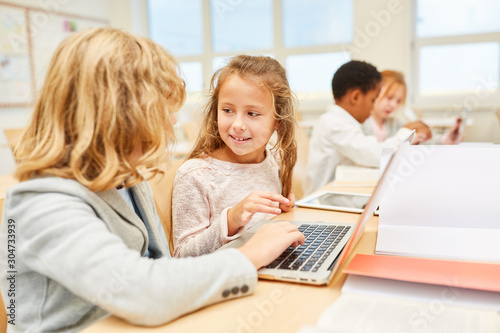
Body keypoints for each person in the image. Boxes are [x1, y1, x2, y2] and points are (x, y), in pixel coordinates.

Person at [0, 28, 304, 332]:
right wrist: (250, 254)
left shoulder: (129, 179)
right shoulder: (41, 204)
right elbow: (142, 290)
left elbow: (164, 268)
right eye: (160, 107)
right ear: (116, 113)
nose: (172, 121)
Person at [172, 55, 297, 258]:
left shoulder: (273, 160)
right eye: (228, 110)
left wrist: (284, 207)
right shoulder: (195, 175)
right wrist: (231, 220)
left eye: (252, 113)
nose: (238, 124)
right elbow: (183, 256)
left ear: (278, 120)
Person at [305, 61, 432, 195]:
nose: (372, 108)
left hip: (338, 194)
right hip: (322, 201)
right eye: (372, 100)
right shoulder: (334, 123)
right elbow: (375, 154)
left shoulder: (345, 122)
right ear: (356, 97)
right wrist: (405, 132)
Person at [363, 70, 463, 145]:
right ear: (375, 93)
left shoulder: (395, 123)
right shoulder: (362, 124)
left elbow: (422, 138)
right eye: (389, 98)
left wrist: (446, 138)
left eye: (398, 101)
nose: (393, 105)